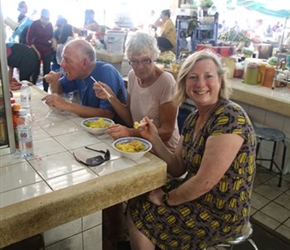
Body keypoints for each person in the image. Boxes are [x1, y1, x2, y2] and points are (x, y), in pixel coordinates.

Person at [126, 50, 257, 250]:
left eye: (208, 76)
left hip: (221, 213)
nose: (200, 84)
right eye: (193, 77)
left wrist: (166, 199)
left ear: (220, 81)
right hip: (196, 198)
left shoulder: (230, 116)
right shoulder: (193, 118)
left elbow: (204, 182)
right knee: (137, 198)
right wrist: (153, 137)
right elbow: (178, 167)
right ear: (185, 84)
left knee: (142, 215)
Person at [94, 31, 180, 152]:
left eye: (146, 60)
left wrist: (129, 132)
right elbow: (130, 119)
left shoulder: (166, 81)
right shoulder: (132, 76)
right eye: (134, 61)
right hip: (141, 146)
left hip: (164, 152)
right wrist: (110, 96)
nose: (140, 67)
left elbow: (167, 133)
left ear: (155, 57)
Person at [42, 39, 127, 121]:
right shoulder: (78, 73)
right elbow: (60, 90)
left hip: (115, 131)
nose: (62, 64)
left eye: (67, 60)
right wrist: (54, 83)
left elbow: (108, 114)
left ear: (84, 63)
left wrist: (67, 105)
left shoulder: (106, 72)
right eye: (63, 59)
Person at [26, 9, 54, 92]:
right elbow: (29, 40)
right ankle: (33, 88)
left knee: (47, 71)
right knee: (36, 71)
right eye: (45, 19)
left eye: (48, 19)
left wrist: (54, 41)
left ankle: (45, 90)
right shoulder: (34, 24)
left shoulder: (50, 25)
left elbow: (51, 36)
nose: (47, 21)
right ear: (41, 18)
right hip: (36, 49)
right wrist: (36, 51)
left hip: (47, 50)